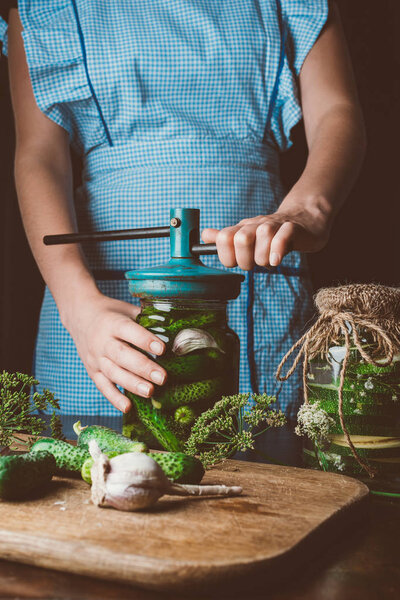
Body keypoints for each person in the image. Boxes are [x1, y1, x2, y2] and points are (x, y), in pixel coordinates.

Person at [0, 1, 365, 425]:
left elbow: (337, 111)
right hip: (94, 307)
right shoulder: (46, 8)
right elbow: (38, 155)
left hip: (262, 297)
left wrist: (308, 208)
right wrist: (78, 306)